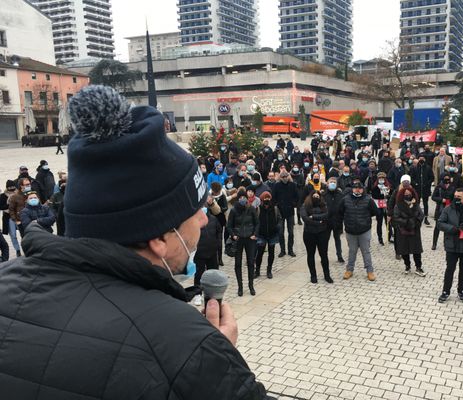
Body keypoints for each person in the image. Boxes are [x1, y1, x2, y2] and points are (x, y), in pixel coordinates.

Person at [0, 85, 271, 399]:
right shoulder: (185, 344)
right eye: (194, 210)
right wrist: (214, 364)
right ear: (158, 236)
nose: (203, 220)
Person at [339, 181, 378, 281]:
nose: (357, 189)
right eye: (355, 188)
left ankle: (370, 271)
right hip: (350, 231)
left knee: (366, 251)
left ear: (362, 189)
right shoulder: (345, 199)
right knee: (352, 251)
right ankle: (349, 270)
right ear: (352, 189)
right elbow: (340, 212)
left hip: (364, 230)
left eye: (359, 188)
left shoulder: (368, 199)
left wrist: (365, 220)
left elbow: (375, 212)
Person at [227, 188, 259, 296]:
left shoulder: (251, 209)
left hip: (250, 239)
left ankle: (251, 286)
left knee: (250, 262)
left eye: (244, 197)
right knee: (238, 264)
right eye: (240, 197)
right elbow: (229, 225)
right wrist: (233, 235)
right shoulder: (233, 210)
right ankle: (240, 287)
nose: (242, 199)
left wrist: (255, 234)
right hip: (239, 239)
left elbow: (257, 223)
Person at [188, 204, 222, 305]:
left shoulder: (213, 219)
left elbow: (219, 232)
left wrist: (217, 244)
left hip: (212, 253)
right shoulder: (194, 221)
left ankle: (213, 294)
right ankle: (198, 295)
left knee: (213, 274)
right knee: (199, 274)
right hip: (199, 253)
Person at [392, 185, 426, 276]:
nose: (408, 195)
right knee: (404, 249)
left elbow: (421, 215)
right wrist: (406, 222)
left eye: (409, 194)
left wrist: (415, 223)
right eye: (406, 194)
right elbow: (396, 217)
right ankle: (407, 265)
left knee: (416, 250)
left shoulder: (416, 204)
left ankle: (418, 267)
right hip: (403, 230)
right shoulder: (398, 205)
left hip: (414, 229)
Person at [300, 190, 333, 284]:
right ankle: (313, 275)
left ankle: (327, 275)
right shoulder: (305, 205)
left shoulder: (323, 205)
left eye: (317, 196)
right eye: (314, 196)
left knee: (324, 255)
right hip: (309, 234)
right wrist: (318, 222)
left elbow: (326, 215)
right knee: (311, 255)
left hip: (322, 233)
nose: (316, 198)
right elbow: (305, 218)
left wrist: (313, 216)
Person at [254, 191, 280, 279]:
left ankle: (269, 270)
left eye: (268, 198)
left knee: (271, 253)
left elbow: (279, 219)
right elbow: (255, 221)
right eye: (265, 198)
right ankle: (257, 270)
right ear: (262, 199)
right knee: (260, 253)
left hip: (272, 234)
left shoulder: (275, 209)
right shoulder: (258, 209)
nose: (267, 200)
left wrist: (277, 228)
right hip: (261, 235)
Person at [273, 171, 298, 257]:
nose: (284, 178)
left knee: (291, 232)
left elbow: (297, 196)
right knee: (280, 232)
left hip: (290, 211)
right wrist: (277, 205)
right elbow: (274, 197)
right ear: (280, 177)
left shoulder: (292, 185)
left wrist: (293, 204)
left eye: (286, 176)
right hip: (280, 212)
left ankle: (290, 250)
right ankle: (282, 250)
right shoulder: (277, 185)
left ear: (288, 176)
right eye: (283, 177)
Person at [431, 174, 455, 250]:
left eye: (448, 179)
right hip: (440, 209)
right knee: (437, 227)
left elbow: (455, 198)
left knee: (447, 227)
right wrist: (441, 200)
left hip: (449, 209)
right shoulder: (439, 187)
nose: (447, 180)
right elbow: (433, 197)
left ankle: (446, 243)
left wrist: (451, 202)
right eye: (445, 179)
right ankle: (434, 244)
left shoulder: (452, 187)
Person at [324, 177, 345, 263]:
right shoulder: (324, 194)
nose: (332, 183)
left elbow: (343, 208)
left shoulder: (340, 195)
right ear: (327, 184)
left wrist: (342, 219)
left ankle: (339, 255)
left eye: (334, 182)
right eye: (331, 182)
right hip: (326, 221)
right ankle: (324, 255)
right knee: (325, 240)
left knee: (337, 239)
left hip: (337, 221)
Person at [409, 155, 434, 225]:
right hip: (417, 189)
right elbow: (411, 178)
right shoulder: (414, 168)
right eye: (420, 158)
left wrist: (427, 184)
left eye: (423, 158)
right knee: (416, 203)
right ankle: (416, 216)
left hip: (425, 189)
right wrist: (415, 184)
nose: (421, 159)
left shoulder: (428, 168)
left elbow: (432, 177)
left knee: (425, 203)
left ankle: (426, 217)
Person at [371, 172, 392, 245]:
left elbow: (390, 195)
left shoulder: (388, 186)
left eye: (382, 178)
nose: (381, 179)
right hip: (378, 206)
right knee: (379, 222)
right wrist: (383, 196)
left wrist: (387, 196)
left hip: (386, 206)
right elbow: (374, 195)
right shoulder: (375, 187)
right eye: (380, 178)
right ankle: (380, 238)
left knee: (388, 222)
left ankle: (389, 237)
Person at [0, 180, 17, 260]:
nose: (12, 188)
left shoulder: (18, 193)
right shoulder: (3, 196)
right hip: (9, 217)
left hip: (19, 216)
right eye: (10, 187)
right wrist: (9, 204)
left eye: (13, 186)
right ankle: (18, 250)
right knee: (13, 235)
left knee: (25, 233)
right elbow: (1, 207)